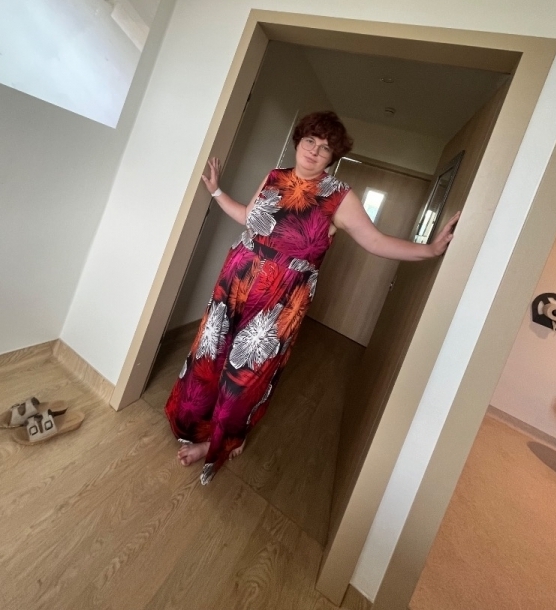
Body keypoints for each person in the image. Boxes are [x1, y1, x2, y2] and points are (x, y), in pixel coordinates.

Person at [165, 111, 459, 485]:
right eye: (310, 141)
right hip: (233, 286)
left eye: (325, 148)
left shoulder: (339, 196)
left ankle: (220, 443)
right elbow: (249, 218)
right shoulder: (274, 177)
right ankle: (194, 425)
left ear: (333, 157)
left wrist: (429, 250)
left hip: (280, 302)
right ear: (299, 140)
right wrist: (217, 191)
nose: (314, 151)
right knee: (209, 357)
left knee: (245, 378)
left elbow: (374, 241)